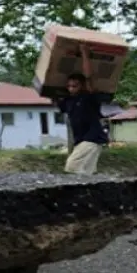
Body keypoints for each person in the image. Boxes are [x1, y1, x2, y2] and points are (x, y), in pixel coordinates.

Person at [56, 43, 109, 175]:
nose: (71, 88)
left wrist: (84, 54)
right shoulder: (68, 101)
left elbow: (88, 77)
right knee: (86, 173)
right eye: (69, 86)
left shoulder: (89, 97)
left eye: (75, 86)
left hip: (92, 138)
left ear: (82, 86)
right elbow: (53, 97)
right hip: (80, 141)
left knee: (72, 166)